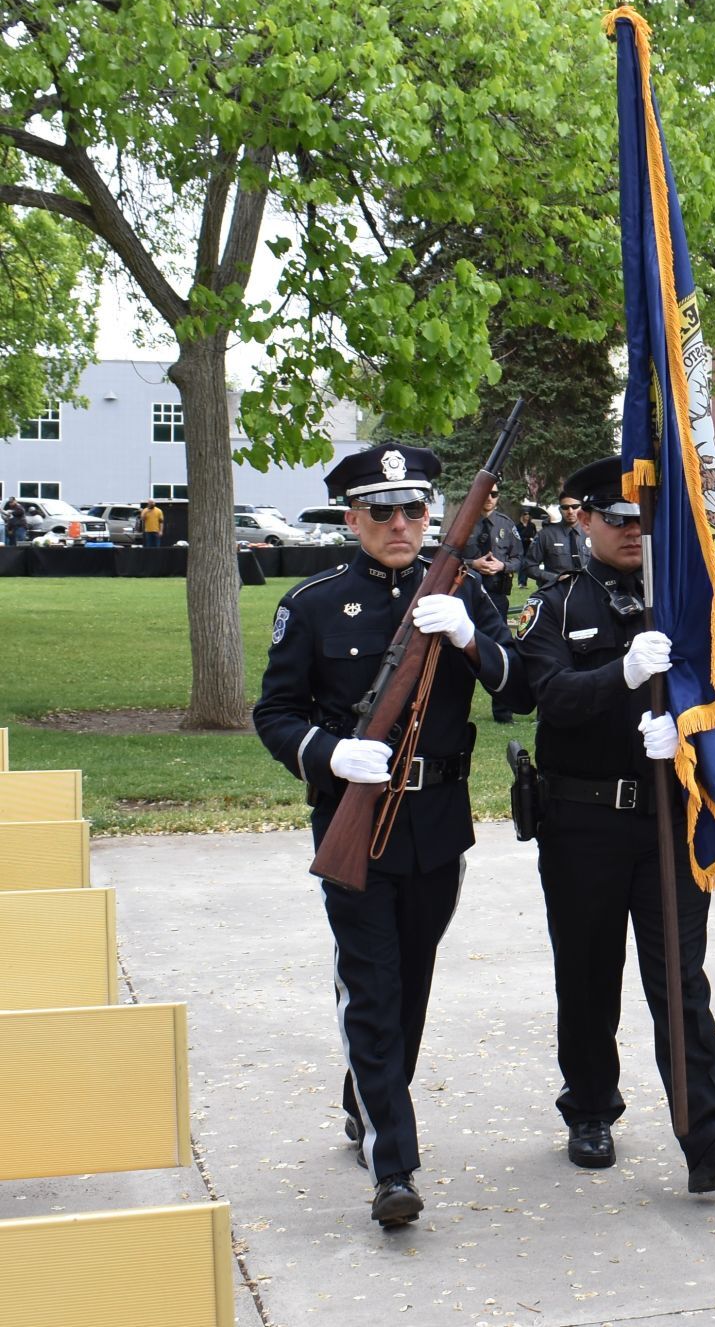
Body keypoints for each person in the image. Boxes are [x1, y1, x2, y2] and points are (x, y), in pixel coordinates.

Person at [254, 444, 528, 1229]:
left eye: (415, 510)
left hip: (437, 824)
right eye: (383, 511)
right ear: (352, 518)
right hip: (355, 821)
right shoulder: (313, 604)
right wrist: (329, 752)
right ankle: (394, 1165)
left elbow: (522, 688)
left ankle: (365, 1095)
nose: (402, 524)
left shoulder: (463, 593)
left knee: (408, 984)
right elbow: (275, 713)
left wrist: (474, 637)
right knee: (371, 989)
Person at [514, 455, 715, 1194]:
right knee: (589, 975)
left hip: (668, 811)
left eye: (643, 520)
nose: (633, 533)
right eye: (618, 520)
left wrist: (685, 733)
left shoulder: (685, 597)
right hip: (583, 819)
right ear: (585, 520)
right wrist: (621, 677)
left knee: (680, 980)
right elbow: (552, 695)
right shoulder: (557, 605)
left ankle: (713, 1131)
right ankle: (590, 1106)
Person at [461, 483, 523, 722]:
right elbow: (450, 556)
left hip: (497, 594)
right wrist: (473, 564)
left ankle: (503, 712)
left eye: (494, 494)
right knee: (461, 649)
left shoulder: (506, 525)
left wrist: (502, 566)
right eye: (486, 493)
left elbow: (519, 558)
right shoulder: (464, 523)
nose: (489, 498)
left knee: (499, 649)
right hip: (468, 594)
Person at [524, 489, 585, 586]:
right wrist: (555, 578)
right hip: (556, 593)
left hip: (587, 592)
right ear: (560, 509)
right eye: (565, 507)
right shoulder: (545, 535)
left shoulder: (593, 534)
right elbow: (529, 567)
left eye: (575, 507)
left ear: (581, 508)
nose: (570, 511)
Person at [515, 508, 537, 587]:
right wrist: (527, 539)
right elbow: (517, 537)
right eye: (525, 514)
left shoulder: (532, 525)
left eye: (528, 514)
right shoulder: (518, 526)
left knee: (527, 564)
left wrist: (533, 539)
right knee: (522, 564)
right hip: (521, 547)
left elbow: (535, 535)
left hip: (529, 547)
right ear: (522, 516)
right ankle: (521, 582)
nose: (527, 516)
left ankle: (524, 582)